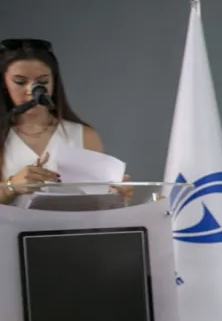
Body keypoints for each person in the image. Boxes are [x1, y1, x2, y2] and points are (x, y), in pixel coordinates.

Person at [1, 39, 129, 204]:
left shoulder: (84, 135)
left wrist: (115, 197)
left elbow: (99, 205)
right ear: (4, 83)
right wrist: (11, 186)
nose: (31, 91)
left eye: (42, 82)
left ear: (54, 82)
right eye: (20, 82)